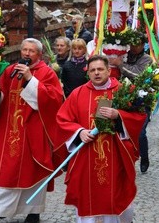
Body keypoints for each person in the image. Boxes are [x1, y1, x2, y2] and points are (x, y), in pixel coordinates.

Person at [0, 38, 64, 223]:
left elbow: (54, 100)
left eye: (31, 51)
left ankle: (33, 213)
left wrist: (30, 79)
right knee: (5, 173)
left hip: (33, 132)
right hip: (10, 131)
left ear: (39, 55)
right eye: (24, 50)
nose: (26, 54)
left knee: (35, 171)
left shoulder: (46, 73)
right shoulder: (9, 71)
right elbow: (3, 96)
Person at [56, 55, 146, 222]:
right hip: (86, 154)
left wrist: (119, 115)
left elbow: (139, 116)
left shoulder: (123, 90)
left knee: (115, 193)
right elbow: (63, 119)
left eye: (100, 69)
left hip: (115, 155)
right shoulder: (77, 93)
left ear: (109, 70)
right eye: (92, 70)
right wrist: (79, 132)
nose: (96, 73)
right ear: (88, 73)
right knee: (86, 194)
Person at [108, 33, 153, 173]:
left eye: (138, 44)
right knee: (121, 130)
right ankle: (124, 158)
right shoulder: (123, 54)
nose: (134, 47)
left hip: (141, 100)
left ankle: (143, 158)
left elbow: (139, 75)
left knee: (140, 132)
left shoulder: (147, 59)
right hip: (122, 98)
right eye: (132, 44)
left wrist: (121, 65)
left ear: (143, 45)